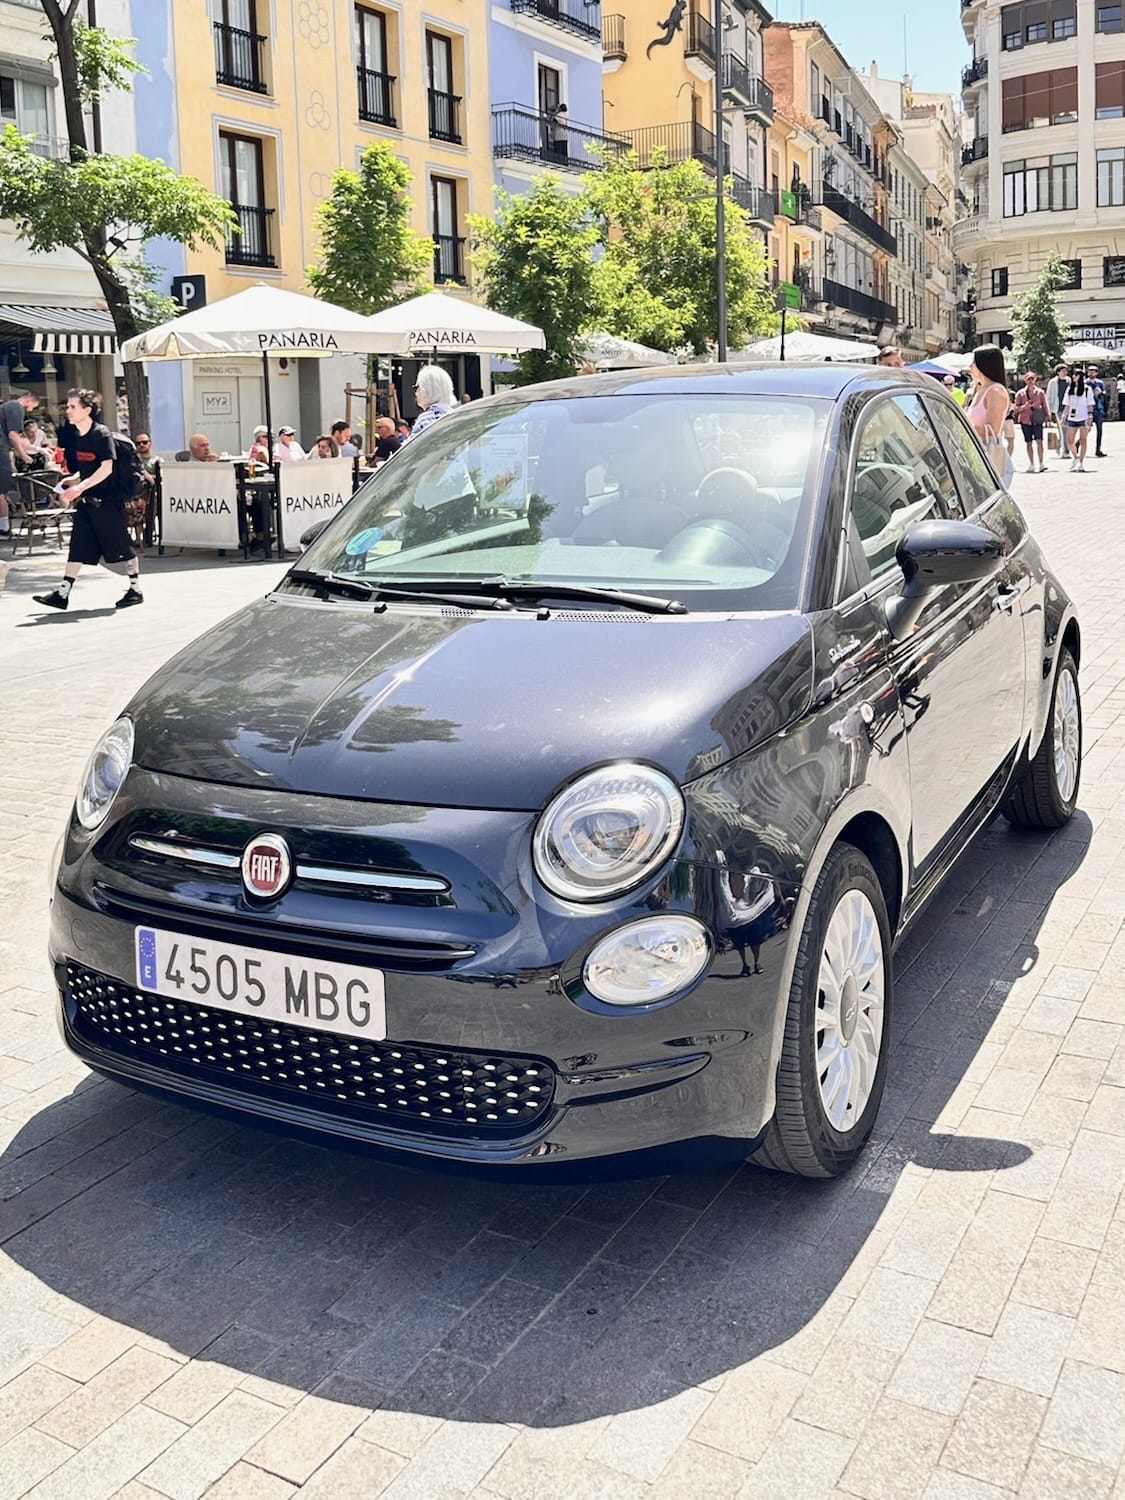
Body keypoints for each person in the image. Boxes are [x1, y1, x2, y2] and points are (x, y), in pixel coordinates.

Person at [32, 388, 143, 612]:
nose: (68, 411)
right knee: (78, 546)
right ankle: (62, 594)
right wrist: (68, 483)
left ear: (88, 410)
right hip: (88, 502)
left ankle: (135, 589)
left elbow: (106, 467)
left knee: (121, 547)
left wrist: (80, 487)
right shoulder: (79, 436)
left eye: (73, 407)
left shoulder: (101, 435)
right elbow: (86, 470)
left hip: (108, 502)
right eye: (67, 407)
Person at [967, 344, 1014, 485]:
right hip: (977, 457)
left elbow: (992, 430)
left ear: (984, 365)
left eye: (974, 362)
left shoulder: (995, 391)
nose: (970, 366)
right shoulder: (980, 389)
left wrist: (960, 424)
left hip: (988, 458)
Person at [0, 389, 40, 536]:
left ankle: (3, 525)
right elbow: (13, 435)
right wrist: (24, 455)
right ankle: (3, 527)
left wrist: (36, 448)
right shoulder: (17, 407)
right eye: (32, 407)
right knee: (1, 489)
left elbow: (16, 438)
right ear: (28, 400)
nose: (30, 410)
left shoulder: (7, 407)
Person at [1013, 371, 1049, 472]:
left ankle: (1041, 463)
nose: (1030, 381)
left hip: (1037, 419)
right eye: (1028, 379)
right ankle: (1031, 463)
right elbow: (1016, 408)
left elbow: (1045, 404)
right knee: (1028, 443)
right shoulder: (1020, 393)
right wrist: (1025, 407)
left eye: (1032, 379)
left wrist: (1048, 415)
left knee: (1039, 441)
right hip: (1025, 420)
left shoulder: (1040, 392)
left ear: (1035, 379)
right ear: (1025, 380)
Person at [409, 366, 455, 439]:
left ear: (427, 389)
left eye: (417, 387)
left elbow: (412, 449)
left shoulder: (426, 419)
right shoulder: (455, 414)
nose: (416, 392)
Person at [1060, 370, 1092, 472]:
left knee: (1083, 441)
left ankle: (1081, 463)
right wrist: (1063, 417)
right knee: (1070, 441)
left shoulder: (1087, 389)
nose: (1074, 377)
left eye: (1076, 375)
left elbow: (1090, 404)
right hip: (1072, 418)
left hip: (1083, 417)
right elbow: (1067, 405)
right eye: (1073, 375)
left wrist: (1090, 416)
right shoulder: (1070, 389)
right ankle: (1075, 457)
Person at [1046, 363, 1070, 458]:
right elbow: (1049, 396)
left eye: (1065, 371)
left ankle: (1061, 447)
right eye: (1063, 371)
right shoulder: (1053, 382)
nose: (1065, 373)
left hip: (1068, 408)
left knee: (1067, 429)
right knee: (1063, 429)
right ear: (1058, 372)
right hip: (1058, 408)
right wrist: (1049, 410)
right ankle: (1065, 450)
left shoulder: (1069, 380)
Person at [1086, 365, 1108, 456]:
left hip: (1098, 409)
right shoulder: (1085, 383)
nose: (1092, 373)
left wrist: (1101, 393)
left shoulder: (1100, 383)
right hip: (1088, 409)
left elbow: (1104, 394)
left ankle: (1098, 449)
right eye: (1090, 371)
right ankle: (1078, 444)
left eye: (1094, 371)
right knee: (1086, 429)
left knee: (1099, 430)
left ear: (1096, 373)